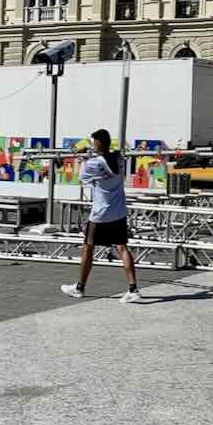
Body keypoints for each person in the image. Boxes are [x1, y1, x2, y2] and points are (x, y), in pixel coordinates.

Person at [61, 129, 140, 303]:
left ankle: (79, 288)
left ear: (97, 144)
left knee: (87, 248)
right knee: (122, 247)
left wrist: (82, 159)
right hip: (118, 211)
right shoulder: (119, 160)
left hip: (100, 215)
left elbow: (81, 178)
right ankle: (133, 289)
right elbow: (114, 158)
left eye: (94, 143)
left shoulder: (93, 163)